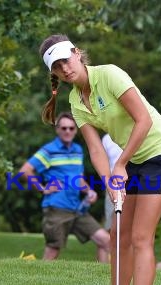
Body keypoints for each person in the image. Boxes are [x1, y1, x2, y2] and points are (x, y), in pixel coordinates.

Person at [39, 34, 161, 285]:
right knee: (118, 235)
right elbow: (95, 149)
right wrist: (110, 182)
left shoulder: (110, 74)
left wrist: (120, 166)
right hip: (135, 159)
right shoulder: (76, 101)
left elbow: (143, 120)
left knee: (142, 238)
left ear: (77, 54)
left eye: (66, 60)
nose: (65, 69)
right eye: (57, 67)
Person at [18, 112, 110, 263]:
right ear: (58, 130)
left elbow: (78, 179)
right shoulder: (49, 151)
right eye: (64, 128)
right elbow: (24, 171)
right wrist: (42, 189)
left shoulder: (77, 150)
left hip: (77, 208)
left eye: (71, 128)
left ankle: (103, 278)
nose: (68, 131)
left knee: (105, 241)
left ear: (75, 130)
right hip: (57, 208)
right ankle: (38, 281)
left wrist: (89, 191)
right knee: (53, 250)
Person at [101, 133, 123, 231]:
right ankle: (109, 245)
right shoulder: (106, 139)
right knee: (111, 220)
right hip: (112, 184)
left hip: (135, 181)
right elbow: (103, 162)